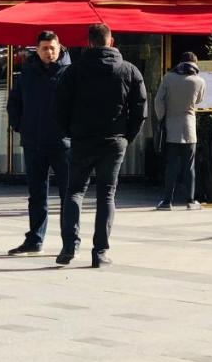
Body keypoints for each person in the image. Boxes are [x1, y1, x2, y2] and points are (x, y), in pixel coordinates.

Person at [54, 23, 146, 268]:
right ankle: (100, 252)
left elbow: (60, 106)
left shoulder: (73, 71)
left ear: (89, 42)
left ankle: (69, 246)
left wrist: (68, 132)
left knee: (74, 192)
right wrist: (127, 137)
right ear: (111, 41)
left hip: (82, 139)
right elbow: (140, 109)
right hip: (113, 141)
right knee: (106, 194)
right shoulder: (129, 70)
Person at [6, 31, 72, 255]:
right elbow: (14, 103)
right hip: (33, 143)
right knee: (36, 195)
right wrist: (20, 125)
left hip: (63, 144)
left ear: (59, 47)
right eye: (44, 48)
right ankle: (35, 240)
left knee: (69, 195)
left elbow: (80, 106)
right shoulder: (27, 73)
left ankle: (70, 241)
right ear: (37, 49)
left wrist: (72, 132)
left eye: (52, 48)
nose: (49, 52)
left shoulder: (70, 73)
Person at [154, 51, 206, 210]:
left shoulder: (168, 78)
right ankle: (190, 201)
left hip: (171, 126)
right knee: (189, 166)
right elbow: (199, 100)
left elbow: (158, 100)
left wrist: (162, 117)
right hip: (189, 126)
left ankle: (167, 201)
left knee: (171, 166)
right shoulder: (199, 81)